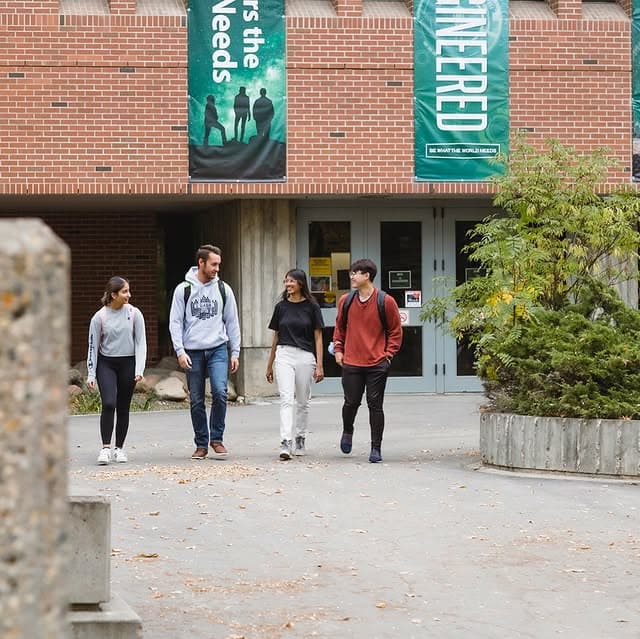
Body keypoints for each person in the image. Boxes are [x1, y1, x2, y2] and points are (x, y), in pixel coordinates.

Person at [169, 245, 241, 460]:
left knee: (220, 392)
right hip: (192, 351)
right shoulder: (183, 289)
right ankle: (201, 444)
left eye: (218, 264)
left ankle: (216, 439)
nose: (217, 268)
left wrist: (235, 352)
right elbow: (175, 322)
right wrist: (180, 351)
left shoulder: (223, 289)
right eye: (213, 264)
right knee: (196, 399)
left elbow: (232, 321)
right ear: (201, 263)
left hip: (218, 348)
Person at [331, 259, 402, 463]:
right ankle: (348, 430)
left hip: (377, 363)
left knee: (375, 405)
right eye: (352, 273)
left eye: (356, 273)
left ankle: (375, 448)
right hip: (351, 362)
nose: (352, 276)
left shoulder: (385, 301)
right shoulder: (346, 300)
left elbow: (395, 331)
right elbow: (340, 328)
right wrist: (338, 349)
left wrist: (388, 355)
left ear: (367, 276)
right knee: (351, 402)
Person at [87, 276, 147, 465]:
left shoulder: (134, 314)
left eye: (128, 290)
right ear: (113, 295)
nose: (129, 295)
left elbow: (141, 343)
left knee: (123, 406)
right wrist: (91, 373)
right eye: (125, 291)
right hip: (106, 364)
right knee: (109, 403)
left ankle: (119, 448)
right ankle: (105, 448)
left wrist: (139, 368)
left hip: (128, 363)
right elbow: (92, 346)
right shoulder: (99, 317)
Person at [266, 269, 325, 460]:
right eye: (286, 281)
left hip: (305, 356)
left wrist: (320, 365)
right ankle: (285, 441)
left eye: (291, 281)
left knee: (302, 401)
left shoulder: (312, 307)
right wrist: (270, 364)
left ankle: (300, 437)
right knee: (286, 399)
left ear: (301, 283)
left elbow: (318, 337)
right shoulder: (281, 307)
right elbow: (276, 337)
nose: (287, 284)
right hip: (284, 354)